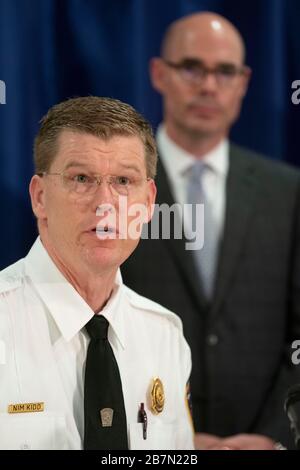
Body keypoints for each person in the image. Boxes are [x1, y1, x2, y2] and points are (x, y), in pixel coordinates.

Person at [121, 12, 300, 449]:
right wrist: (167, 436)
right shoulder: (114, 188)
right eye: (192, 68)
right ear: (159, 74)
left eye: (224, 72)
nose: (208, 86)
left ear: (243, 82)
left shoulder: (289, 191)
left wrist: (273, 438)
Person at [0, 96, 194, 450]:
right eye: (82, 178)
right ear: (39, 197)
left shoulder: (165, 335)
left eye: (123, 180)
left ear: (148, 203)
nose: (105, 202)